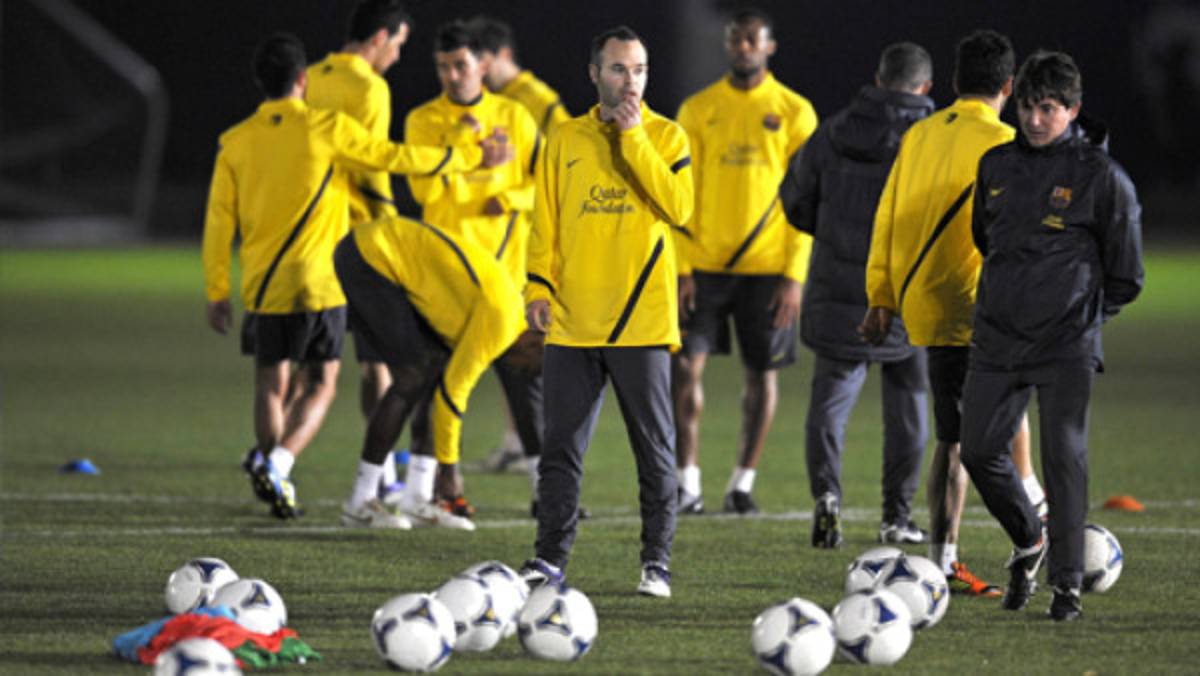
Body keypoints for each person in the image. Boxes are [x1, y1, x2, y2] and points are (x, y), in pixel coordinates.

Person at [202, 32, 492, 520]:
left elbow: (217, 222)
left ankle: (273, 470)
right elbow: (394, 157)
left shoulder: (234, 143)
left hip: (263, 284)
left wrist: (216, 291)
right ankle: (278, 463)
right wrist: (463, 157)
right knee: (322, 384)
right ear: (302, 80)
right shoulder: (327, 128)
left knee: (270, 384)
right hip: (319, 281)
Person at [961, 50, 1143, 621]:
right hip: (997, 338)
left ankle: (1066, 586)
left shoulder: (1102, 176)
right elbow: (985, 240)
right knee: (977, 451)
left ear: (1073, 110)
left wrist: (1082, 318)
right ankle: (1028, 539)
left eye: (1049, 108)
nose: (1035, 119)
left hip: (1066, 343)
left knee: (1064, 456)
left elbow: (1127, 274)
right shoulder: (994, 165)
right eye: (1027, 107)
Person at [862, 30, 1044, 595]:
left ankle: (949, 552)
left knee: (955, 431)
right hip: (980, 306)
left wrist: (881, 297)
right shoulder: (1010, 142)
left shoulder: (919, 134)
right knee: (971, 433)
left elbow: (887, 214)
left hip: (926, 302)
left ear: (955, 82)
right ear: (1009, 88)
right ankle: (1018, 530)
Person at [520, 26, 693, 598]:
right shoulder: (564, 140)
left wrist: (635, 138)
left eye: (639, 69)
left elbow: (679, 207)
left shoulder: (667, 136)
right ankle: (548, 561)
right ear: (594, 74)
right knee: (560, 451)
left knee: (655, 452)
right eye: (618, 69)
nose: (630, 80)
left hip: (641, 321)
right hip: (573, 321)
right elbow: (544, 223)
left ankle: (656, 564)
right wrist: (537, 289)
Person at [779, 42, 934, 548]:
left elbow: (794, 199)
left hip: (838, 286)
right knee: (909, 403)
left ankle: (827, 498)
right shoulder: (932, 140)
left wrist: (831, 233)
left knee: (830, 400)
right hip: (907, 291)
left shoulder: (834, 130)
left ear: (878, 77)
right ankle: (896, 516)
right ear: (925, 87)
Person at [673, 9, 818, 515]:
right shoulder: (698, 109)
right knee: (684, 373)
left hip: (769, 271)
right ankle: (687, 483)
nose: (742, 47)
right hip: (705, 268)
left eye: (752, 39)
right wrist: (682, 267)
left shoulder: (795, 111)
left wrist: (794, 276)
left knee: (762, 377)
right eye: (736, 38)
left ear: (769, 46)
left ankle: (741, 484)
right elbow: (679, 195)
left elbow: (807, 201)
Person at [403, 20, 543, 517]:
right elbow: (424, 192)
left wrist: (504, 196)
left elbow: (541, 189)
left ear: (483, 64)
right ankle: (424, 491)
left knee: (524, 387)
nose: (451, 75)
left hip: (505, 279)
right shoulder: (423, 120)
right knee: (432, 384)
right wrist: (477, 164)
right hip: (446, 282)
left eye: (459, 65)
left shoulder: (515, 116)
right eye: (442, 66)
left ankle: (543, 492)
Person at [334, 204, 525, 531]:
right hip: (372, 254)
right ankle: (360, 500)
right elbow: (455, 395)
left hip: (384, 255)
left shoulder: (508, 315)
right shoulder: (503, 323)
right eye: (535, 366)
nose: (527, 373)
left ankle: (418, 498)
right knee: (410, 377)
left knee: (432, 371)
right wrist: (450, 471)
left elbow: (446, 389)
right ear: (536, 341)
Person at [305, 0, 411, 501]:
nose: (396, 57)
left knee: (296, 365)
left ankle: (270, 454)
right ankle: (385, 474)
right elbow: (371, 165)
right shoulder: (370, 87)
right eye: (398, 45)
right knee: (379, 363)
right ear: (379, 39)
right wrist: (390, 229)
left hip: (305, 238)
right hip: (358, 242)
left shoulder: (307, 77)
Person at [468, 13, 573, 473]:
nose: (476, 69)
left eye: (481, 59)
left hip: (544, 243)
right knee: (513, 346)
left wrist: (508, 198)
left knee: (539, 349)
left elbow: (565, 172)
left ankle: (552, 450)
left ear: (503, 55)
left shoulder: (538, 102)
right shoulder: (495, 101)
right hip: (509, 244)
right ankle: (517, 441)